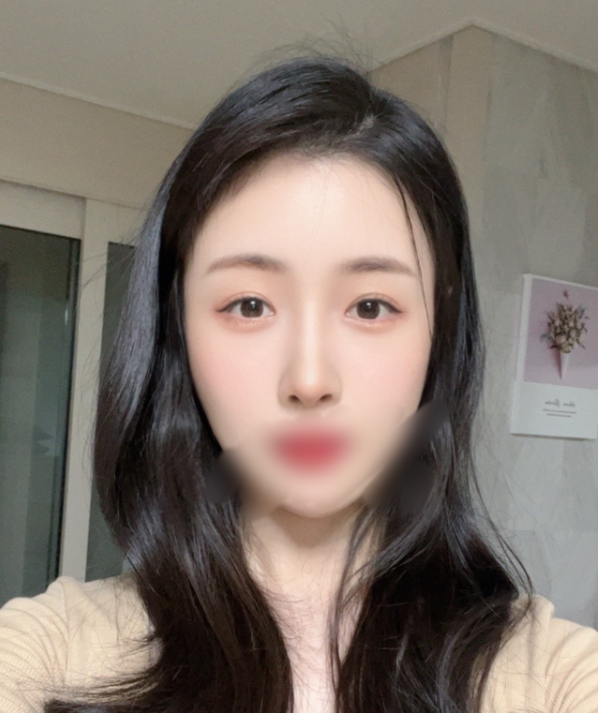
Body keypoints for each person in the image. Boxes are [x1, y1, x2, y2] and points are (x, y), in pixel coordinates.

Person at [1, 53, 598, 713]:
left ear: (440, 330)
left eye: (370, 306)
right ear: (178, 330)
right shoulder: (51, 654)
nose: (309, 380)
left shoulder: (552, 674)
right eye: (249, 305)